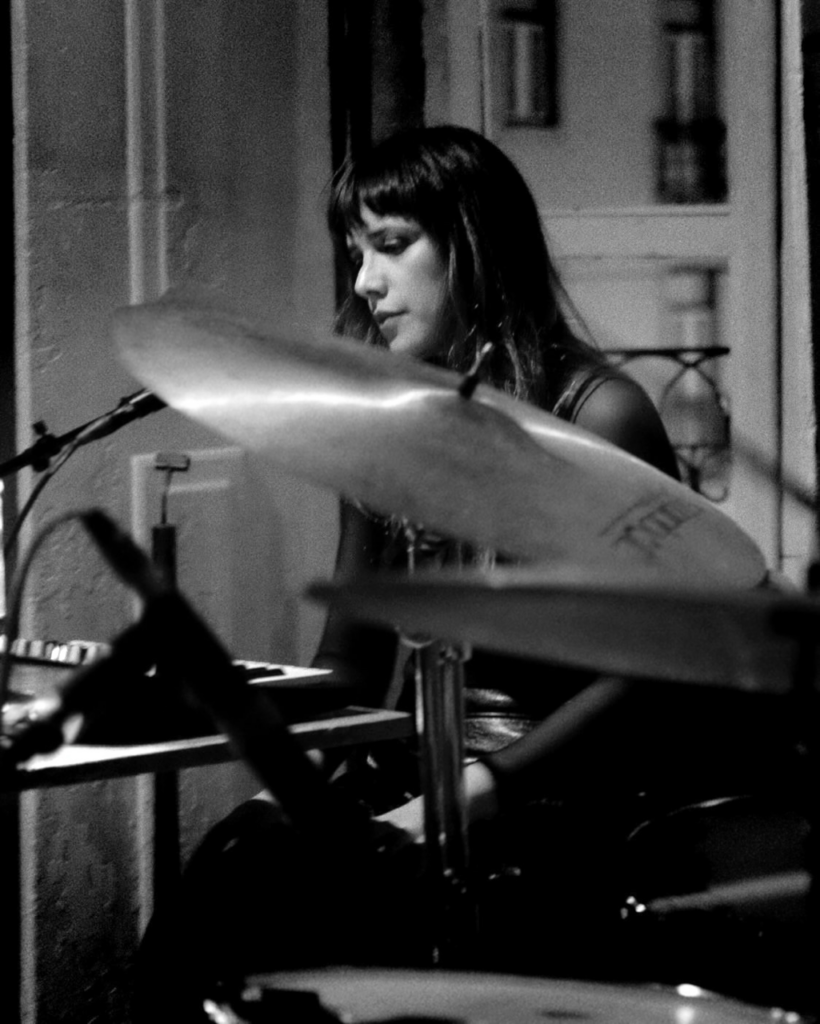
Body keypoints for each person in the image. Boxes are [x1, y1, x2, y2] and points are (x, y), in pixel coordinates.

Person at [133, 125, 804, 1020]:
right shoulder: (384, 423)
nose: (365, 283)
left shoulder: (599, 414)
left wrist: (468, 796)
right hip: (420, 763)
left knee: (382, 921)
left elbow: (646, 678)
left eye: (392, 245)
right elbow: (351, 664)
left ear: (475, 248)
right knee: (234, 880)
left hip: (564, 783)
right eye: (356, 252)